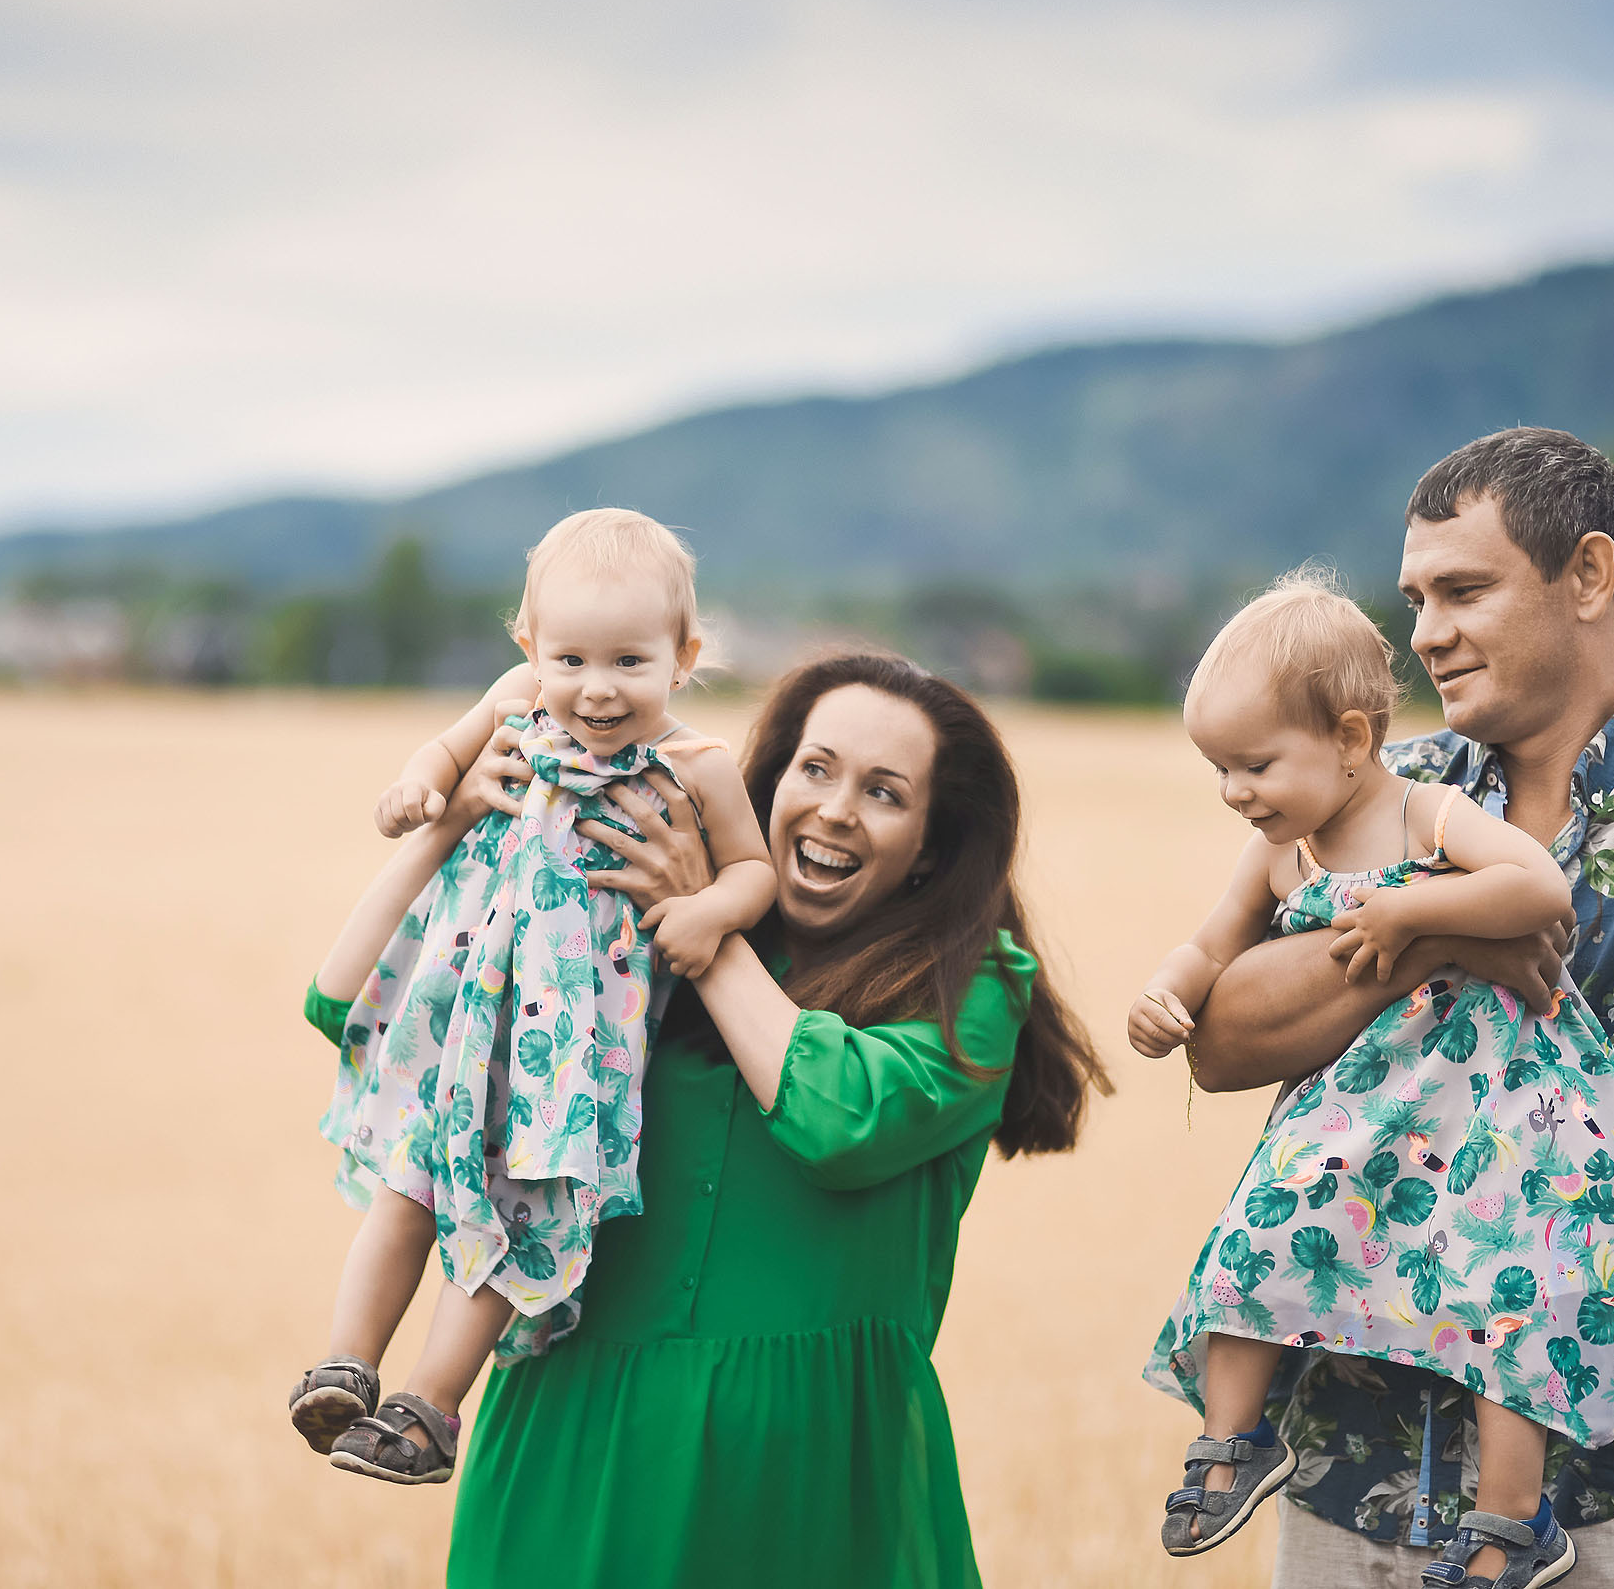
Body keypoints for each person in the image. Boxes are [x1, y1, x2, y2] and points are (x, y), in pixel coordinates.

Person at [1185, 428, 1614, 1587]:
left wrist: (1454, 1211)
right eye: (1414, 599)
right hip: (1349, 1463)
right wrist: (1432, 937)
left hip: (1609, 1483)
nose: (1424, 632)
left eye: (1463, 589)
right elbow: (1223, 1038)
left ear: (1588, 575)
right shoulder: (1382, 789)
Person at [302, 649, 1110, 1585]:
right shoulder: (615, 925)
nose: (836, 809)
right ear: (771, 784)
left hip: (810, 1490)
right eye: (816, 768)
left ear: (932, 845)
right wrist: (450, 824)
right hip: (567, 1458)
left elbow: (841, 1123)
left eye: (885, 792)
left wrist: (707, 928)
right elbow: (349, 1004)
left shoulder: (972, 984)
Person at [1130, 570, 1614, 1589]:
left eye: (1255, 764)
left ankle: (1512, 1520)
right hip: (1360, 1108)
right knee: (1257, 1228)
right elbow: (1208, 950)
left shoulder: (1425, 812)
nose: (1235, 792)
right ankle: (1234, 1439)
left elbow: (1537, 884)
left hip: (1494, 1097)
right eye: (1220, 769)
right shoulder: (1278, 853)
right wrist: (1163, 994)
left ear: (1349, 738)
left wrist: (1413, 911)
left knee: (1507, 1282)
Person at [291, 508, 778, 1485]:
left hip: (572, 1052)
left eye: (630, 661)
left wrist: (711, 911)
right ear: (529, 648)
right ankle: (345, 1363)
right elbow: (442, 754)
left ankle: (430, 1407)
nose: (597, 687)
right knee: (407, 1188)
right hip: (462, 1017)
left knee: (517, 1214)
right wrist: (416, 788)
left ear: (683, 657)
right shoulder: (515, 704)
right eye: (572, 658)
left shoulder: (700, 767)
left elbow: (752, 869)